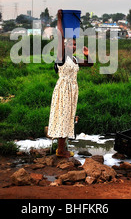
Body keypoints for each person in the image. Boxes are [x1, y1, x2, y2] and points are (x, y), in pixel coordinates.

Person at [47, 9, 93, 158]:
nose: (73, 47)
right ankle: (61, 151)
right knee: (63, 117)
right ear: (65, 45)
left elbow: (90, 64)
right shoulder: (61, 57)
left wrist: (88, 54)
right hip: (63, 90)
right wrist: (59, 19)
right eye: (70, 44)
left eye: (74, 45)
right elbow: (60, 37)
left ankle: (62, 149)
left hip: (72, 90)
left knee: (68, 117)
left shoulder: (73, 59)